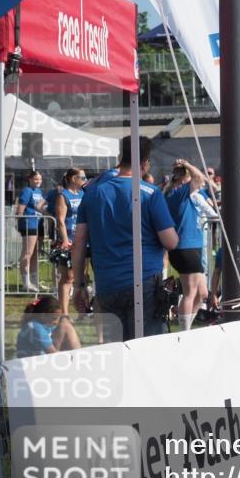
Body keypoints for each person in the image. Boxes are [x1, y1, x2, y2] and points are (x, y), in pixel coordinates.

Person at [71, 136, 179, 341]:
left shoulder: (93, 193)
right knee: (147, 350)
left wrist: (79, 285)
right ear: (145, 162)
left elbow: (78, 244)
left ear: (121, 157)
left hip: (107, 284)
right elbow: (170, 241)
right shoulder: (150, 193)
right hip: (144, 282)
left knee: (116, 351)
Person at [164, 159, 209, 331]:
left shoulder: (176, 191)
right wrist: (189, 164)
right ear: (184, 178)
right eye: (188, 176)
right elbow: (200, 177)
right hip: (185, 247)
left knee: (202, 293)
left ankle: (186, 324)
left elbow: (198, 179)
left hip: (192, 246)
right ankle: (184, 332)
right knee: (190, 292)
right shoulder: (178, 192)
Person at [49, 168, 86, 316]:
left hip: (83, 239)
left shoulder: (84, 194)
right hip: (69, 240)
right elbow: (60, 220)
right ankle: (64, 313)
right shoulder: (63, 195)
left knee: (81, 278)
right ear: (72, 179)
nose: (84, 179)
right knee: (68, 277)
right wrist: (65, 240)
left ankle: (83, 311)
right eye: (81, 177)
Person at [16, 296, 80, 357]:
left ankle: (78, 357)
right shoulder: (34, 328)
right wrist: (69, 356)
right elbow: (53, 353)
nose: (56, 322)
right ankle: (78, 358)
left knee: (65, 323)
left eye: (58, 318)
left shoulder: (46, 323)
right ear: (43, 315)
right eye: (54, 318)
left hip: (40, 359)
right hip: (31, 364)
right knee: (65, 325)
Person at [16, 171, 47, 292]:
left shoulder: (39, 191)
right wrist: (18, 222)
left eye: (40, 179)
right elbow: (20, 209)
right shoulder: (27, 191)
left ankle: (34, 281)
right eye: (35, 179)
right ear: (29, 179)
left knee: (35, 254)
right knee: (27, 253)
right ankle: (26, 282)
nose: (38, 181)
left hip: (39, 223)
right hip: (29, 223)